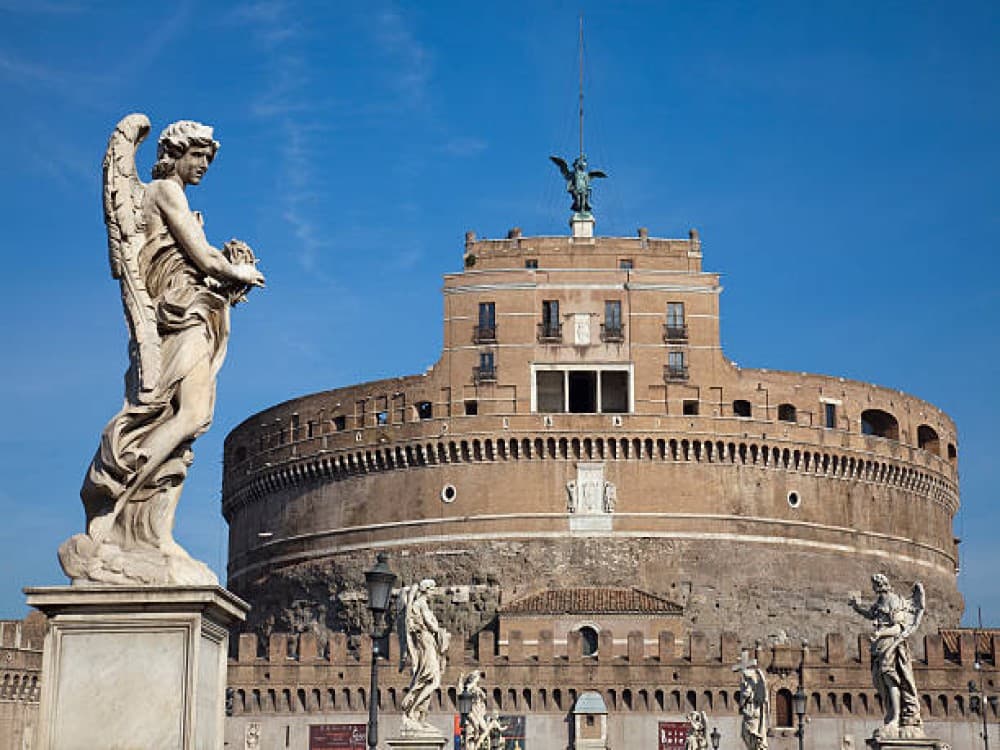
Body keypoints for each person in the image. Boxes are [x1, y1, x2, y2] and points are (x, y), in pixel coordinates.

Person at [59, 117, 264, 585]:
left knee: (187, 424)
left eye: (208, 159)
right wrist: (238, 271)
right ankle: (114, 504)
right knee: (188, 415)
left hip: (192, 313)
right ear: (174, 154)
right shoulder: (164, 192)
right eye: (198, 156)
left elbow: (196, 268)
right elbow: (202, 259)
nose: (204, 165)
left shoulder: (175, 198)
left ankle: (153, 533)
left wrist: (224, 286)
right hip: (178, 317)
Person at [849, 574, 925, 738]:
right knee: (880, 680)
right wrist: (857, 608)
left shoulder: (893, 601)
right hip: (879, 646)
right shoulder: (879, 602)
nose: (873, 587)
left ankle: (896, 718)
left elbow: (899, 628)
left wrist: (880, 633)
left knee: (891, 678)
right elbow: (871, 614)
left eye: (875, 584)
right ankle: (891, 714)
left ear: (881, 584)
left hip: (892, 644)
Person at [399, 579, 451, 734]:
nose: (434, 592)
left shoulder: (422, 605)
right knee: (432, 679)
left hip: (429, 643)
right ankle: (412, 709)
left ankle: (420, 717)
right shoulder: (419, 604)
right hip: (426, 644)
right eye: (432, 589)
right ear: (426, 589)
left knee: (429, 679)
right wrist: (441, 632)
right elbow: (431, 625)